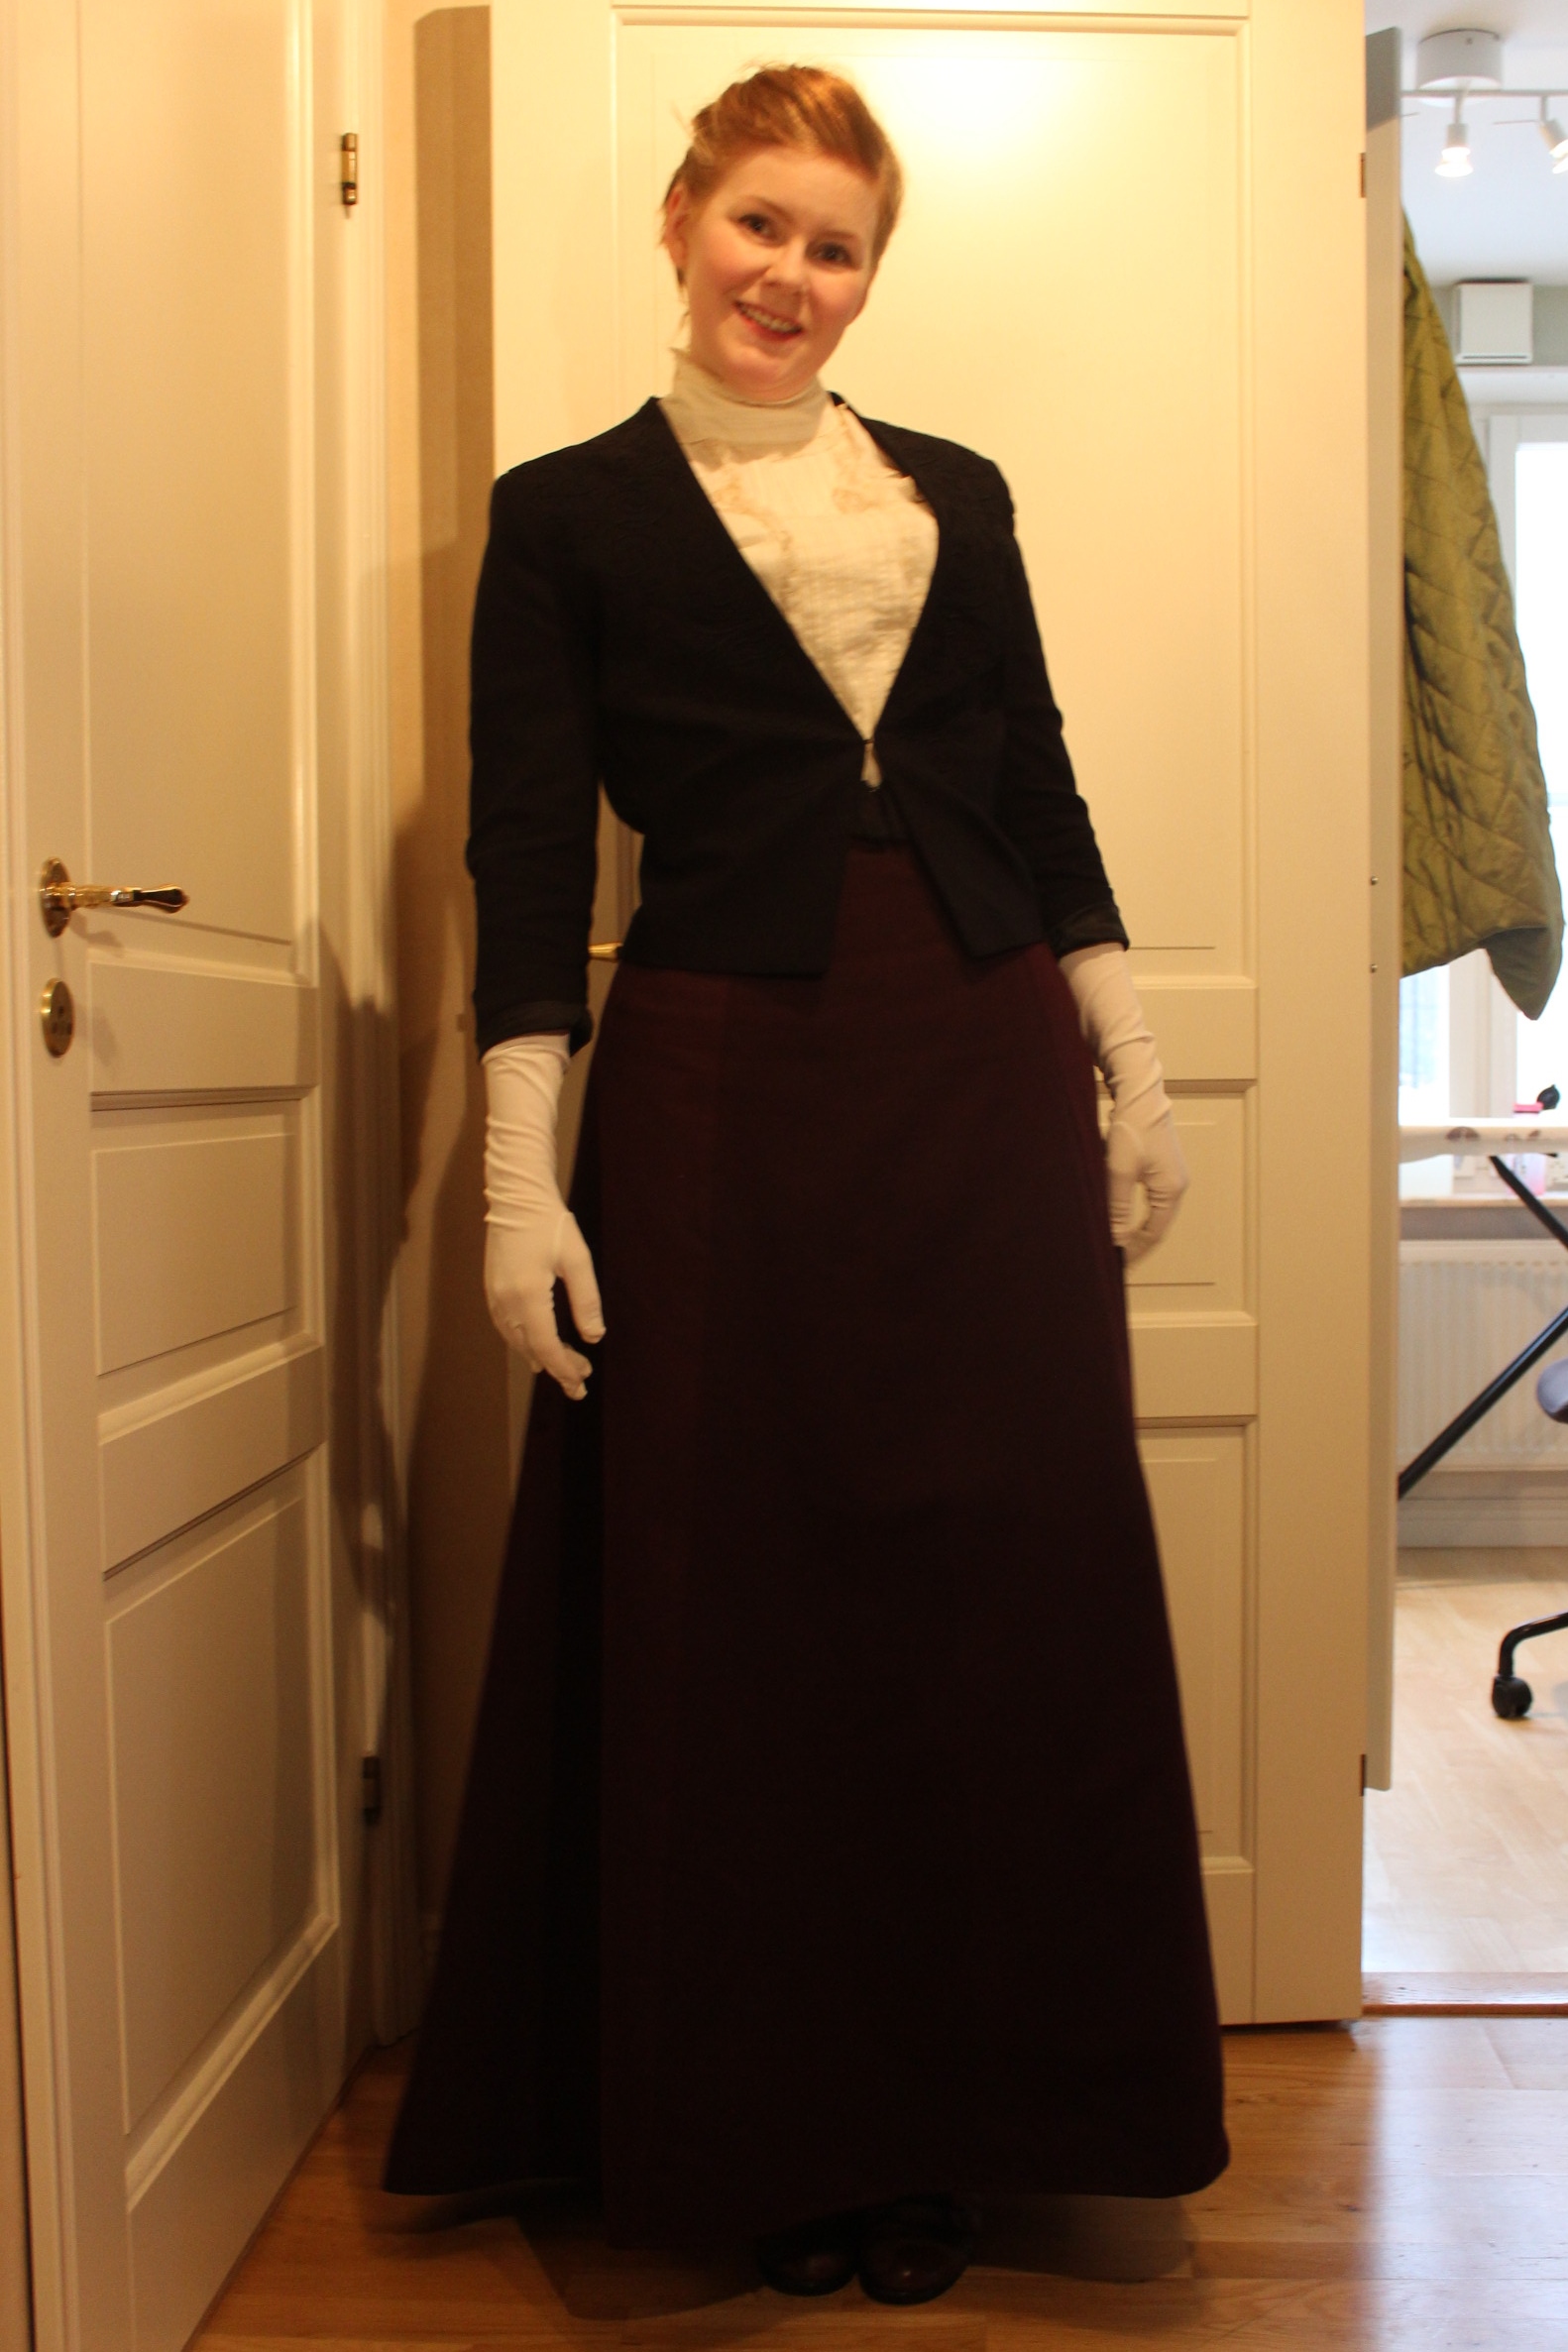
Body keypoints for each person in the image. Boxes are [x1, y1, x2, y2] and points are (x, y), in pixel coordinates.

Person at [385, 63, 1228, 2308]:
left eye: (833, 245)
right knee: (734, 1598)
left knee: (994, 1586)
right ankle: (751, 2121)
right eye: (756, 222)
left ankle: (965, 2115)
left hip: (973, 1067)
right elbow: (529, 859)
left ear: (869, 279)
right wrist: (514, 1180)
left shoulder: (956, 491)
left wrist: (1130, 1067)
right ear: (680, 221)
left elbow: (1033, 787)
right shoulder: (563, 516)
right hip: (718, 1081)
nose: (788, 274)